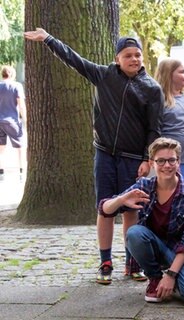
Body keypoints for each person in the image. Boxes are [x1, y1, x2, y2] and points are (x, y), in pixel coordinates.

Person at [24, 28, 164, 284]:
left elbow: (154, 127)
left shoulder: (152, 88)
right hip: (105, 154)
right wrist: (48, 39)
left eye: (137, 55)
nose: (134, 59)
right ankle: (105, 262)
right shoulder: (104, 75)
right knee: (106, 208)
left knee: (131, 209)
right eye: (127, 55)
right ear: (117, 59)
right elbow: (73, 59)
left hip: (134, 157)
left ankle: (132, 263)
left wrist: (148, 158)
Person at [99, 137, 184, 304]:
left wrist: (170, 276)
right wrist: (122, 199)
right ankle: (155, 278)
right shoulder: (144, 186)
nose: (167, 165)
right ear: (152, 163)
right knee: (134, 233)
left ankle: (173, 279)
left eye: (171, 160)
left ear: (179, 162)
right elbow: (104, 208)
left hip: (178, 253)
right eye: (161, 161)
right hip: (152, 247)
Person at [0, 65, 26, 177]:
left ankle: (1, 171)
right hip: (12, 121)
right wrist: (25, 120)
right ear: (12, 74)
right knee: (20, 146)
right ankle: (21, 170)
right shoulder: (17, 86)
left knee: (1, 147)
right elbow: (21, 106)